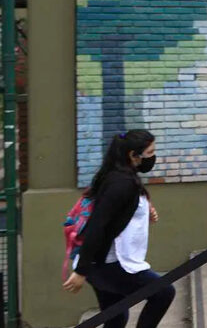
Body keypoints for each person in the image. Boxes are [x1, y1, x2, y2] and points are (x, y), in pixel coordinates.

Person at [62, 130, 175, 328]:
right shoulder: (122, 183)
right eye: (150, 153)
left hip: (99, 262)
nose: (153, 157)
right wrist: (82, 271)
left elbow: (116, 213)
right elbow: (98, 226)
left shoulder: (117, 174)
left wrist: (144, 211)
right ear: (133, 155)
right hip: (105, 264)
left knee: (116, 317)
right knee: (163, 292)